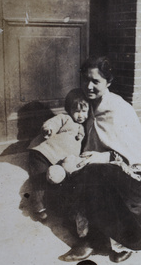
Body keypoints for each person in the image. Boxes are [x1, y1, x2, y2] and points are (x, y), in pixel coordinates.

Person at [57, 56, 141, 263]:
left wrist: (103, 157)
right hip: (111, 166)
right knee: (82, 171)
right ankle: (91, 236)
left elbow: (136, 155)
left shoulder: (118, 109)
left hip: (137, 175)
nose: (89, 86)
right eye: (85, 80)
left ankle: (121, 242)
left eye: (96, 81)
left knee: (95, 175)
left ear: (108, 82)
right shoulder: (86, 103)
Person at [28, 88, 89, 219]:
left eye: (84, 111)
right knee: (40, 176)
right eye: (77, 111)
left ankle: (56, 206)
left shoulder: (83, 128)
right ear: (69, 110)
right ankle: (38, 204)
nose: (80, 115)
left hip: (59, 161)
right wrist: (48, 129)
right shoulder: (65, 118)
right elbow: (53, 123)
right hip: (44, 152)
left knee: (58, 180)